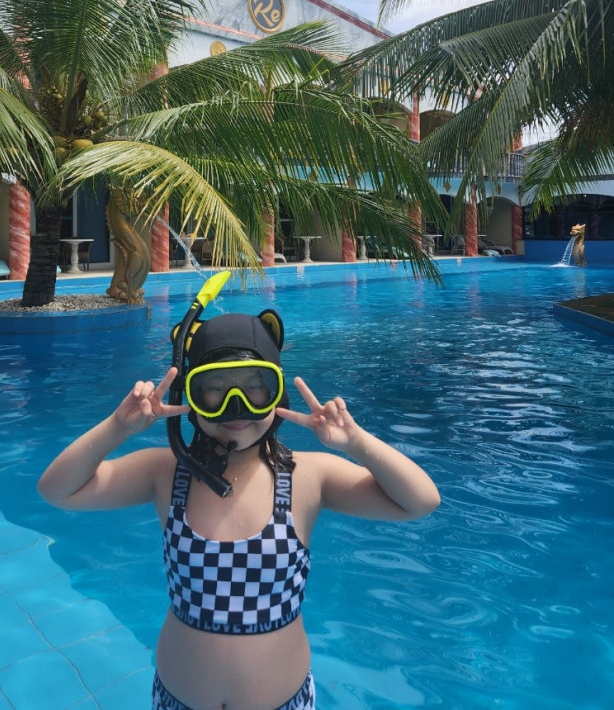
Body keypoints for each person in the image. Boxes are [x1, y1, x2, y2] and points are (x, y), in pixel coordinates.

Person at [38, 281, 440, 710]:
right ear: (190, 395)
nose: (235, 407)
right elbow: (58, 490)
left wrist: (355, 442)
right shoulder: (167, 473)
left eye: (254, 387)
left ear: (276, 392)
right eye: (214, 389)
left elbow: (420, 501)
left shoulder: (307, 476)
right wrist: (116, 428)